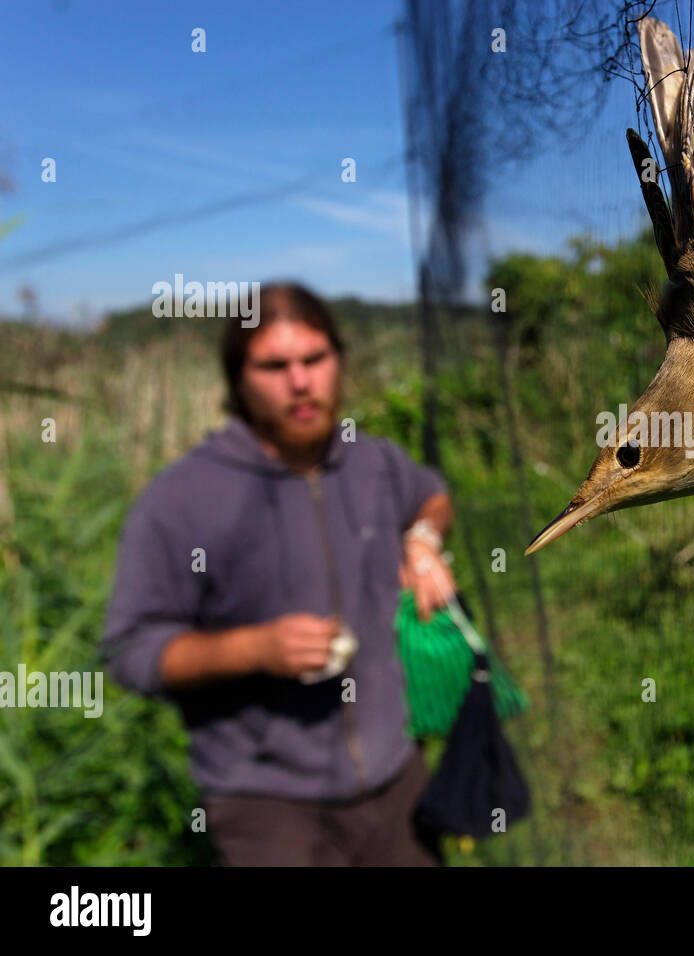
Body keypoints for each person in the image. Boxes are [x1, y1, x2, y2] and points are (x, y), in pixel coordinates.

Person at [101, 283, 456, 866]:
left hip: (396, 772)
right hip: (266, 801)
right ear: (238, 379)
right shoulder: (181, 497)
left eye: (315, 359)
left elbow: (432, 496)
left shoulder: (371, 460)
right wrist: (253, 648)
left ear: (339, 359)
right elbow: (130, 650)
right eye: (274, 365)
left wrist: (422, 541)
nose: (300, 381)